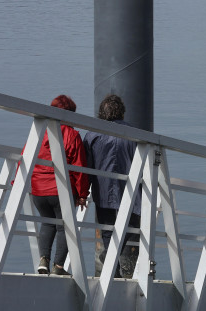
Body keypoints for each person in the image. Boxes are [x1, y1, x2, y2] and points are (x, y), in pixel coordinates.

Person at [30, 95, 89, 276]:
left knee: (47, 223)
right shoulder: (72, 135)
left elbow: (26, 157)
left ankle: (43, 261)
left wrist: (18, 183)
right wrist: (82, 194)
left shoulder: (41, 132)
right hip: (60, 189)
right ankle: (58, 267)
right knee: (65, 226)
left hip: (38, 189)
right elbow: (79, 167)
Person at [83, 94, 140, 278]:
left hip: (102, 187)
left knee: (107, 226)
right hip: (129, 189)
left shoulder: (92, 134)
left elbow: (86, 165)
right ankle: (112, 260)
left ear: (102, 112)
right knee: (132, 225)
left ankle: (111, 263)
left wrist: (83, 191)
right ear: (121, 111)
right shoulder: (135, 134)